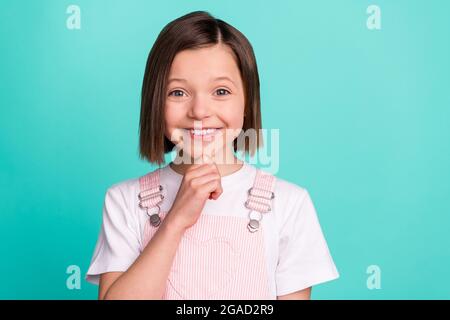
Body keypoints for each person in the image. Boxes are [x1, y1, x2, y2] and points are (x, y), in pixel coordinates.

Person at [85, 11, 339, 300]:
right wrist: (175, 220)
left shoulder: (289, 204)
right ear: (155, 101)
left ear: (247, 101)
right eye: (178, 92)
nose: (200, 111)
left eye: (220, 91)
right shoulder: (125, 201)